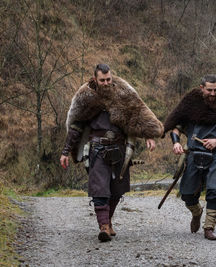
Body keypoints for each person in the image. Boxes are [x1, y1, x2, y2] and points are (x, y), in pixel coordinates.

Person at [60, 63, 163, 242]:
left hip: (120, 149)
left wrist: (149, 135)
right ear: (95, 79)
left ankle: (108, 222)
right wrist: (65, 151)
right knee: (100, 190)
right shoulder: (86, 97)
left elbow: (137, 115)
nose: (106, 83)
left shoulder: (123, 94)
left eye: (109, 79)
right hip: (97, 148)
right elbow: (76, 126)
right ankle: (104, 227)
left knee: (116, 191)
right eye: (102, 80)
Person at [163, 74, 216, 240]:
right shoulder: (191, 105)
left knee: (215, 191)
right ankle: (197, 212)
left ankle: (209, 228)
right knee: (186, 193)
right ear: (202, 88)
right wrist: (176, 143)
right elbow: (176, 126)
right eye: (209, 90)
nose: (213, 93)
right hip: (193, 154)